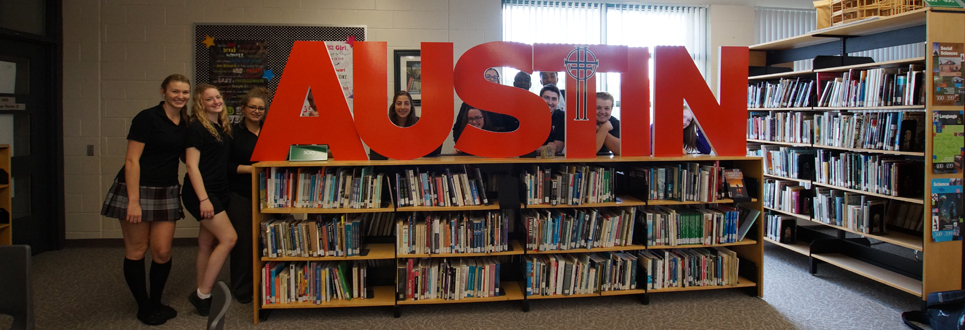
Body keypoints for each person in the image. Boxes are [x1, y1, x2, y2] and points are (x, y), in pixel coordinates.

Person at [100, 74, 190, 326]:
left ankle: (156, 301)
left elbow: (187, 157)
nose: (180, 96)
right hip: (137, 189)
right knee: (137, 250)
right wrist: (133, 201)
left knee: (162, 251)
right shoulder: (147, 117)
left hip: (167, 190)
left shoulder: (185, 120)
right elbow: (131, 160)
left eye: (185, 92)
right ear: (163, 91)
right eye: (175, 91)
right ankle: (144, 306)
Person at [183, 84, 238, 316]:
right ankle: (202, 294)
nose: (216, 101)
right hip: (203, 194)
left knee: (206, 243)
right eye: (209, 99)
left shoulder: (221, 126)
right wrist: (203, 199)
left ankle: (201, 292)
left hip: (220, 190)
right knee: (228, 238)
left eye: (218, 97)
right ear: (200, 103)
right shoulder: (196, 128)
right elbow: (191, 166)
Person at [224, 87, 270, 304]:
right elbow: (225, 165)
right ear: (243, 108)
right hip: (241, 193)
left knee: (270, 240)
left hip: (269, 194)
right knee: (243, 244)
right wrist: (251, 169)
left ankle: (268, 284)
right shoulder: (231, 133)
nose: (257, 111)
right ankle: (242, 289)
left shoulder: (271, 132)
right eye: (252, 107)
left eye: (261, 108)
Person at [452, 68, 519, 143]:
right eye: (488, 76)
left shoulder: (505, 103)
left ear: (498, 81)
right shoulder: (469, 101)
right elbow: (457, 128)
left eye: (495, 77)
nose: (491, 79)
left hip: (498, 145)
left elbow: (511, 127)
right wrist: (460, 145)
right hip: (475, 146)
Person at [370, 91, 441, 159]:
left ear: (411, 106)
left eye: (406, 103)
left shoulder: (420, 124)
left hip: (414, 164)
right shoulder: (385, 124)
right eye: (399, 103)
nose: (403, 107)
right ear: (394, 106)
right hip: (390, 165)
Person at [540, 84, 566, 154]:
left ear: (558, 101)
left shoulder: (562, 116)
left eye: (554, 99)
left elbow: (557, 148)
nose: (550, 102)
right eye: (546, 98)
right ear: (539, 98)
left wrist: (536, 149)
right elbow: (525, 147)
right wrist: (541, 149)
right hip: (530, 160)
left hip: (554, 161)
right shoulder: (530, 116)